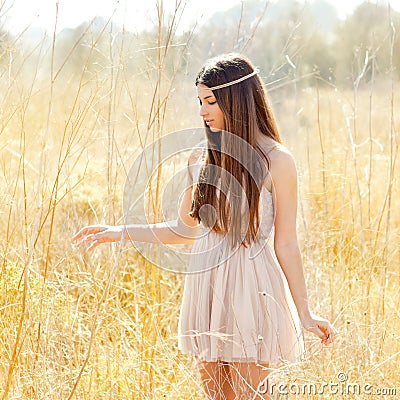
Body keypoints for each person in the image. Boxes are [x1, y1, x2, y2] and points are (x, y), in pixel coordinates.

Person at [72, 53, 337, 399]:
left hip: (252, 288)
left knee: (251, 396)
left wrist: (304, 310)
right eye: (200, 101)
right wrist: (121, 231)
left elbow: (285, 243)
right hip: (207, 286)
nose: (202, 111)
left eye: (210, 101)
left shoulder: (278, 161)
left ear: (237, 100)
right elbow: (183, 230)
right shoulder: (200, 156)